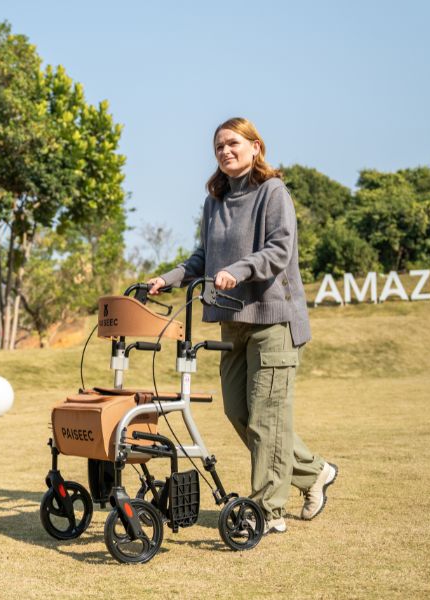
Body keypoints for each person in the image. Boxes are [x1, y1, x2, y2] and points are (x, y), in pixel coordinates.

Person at [147, 117, 337, 534]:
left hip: (274, 320)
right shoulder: (214, 200)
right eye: (218, 147)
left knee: (268, 418)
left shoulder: (273, 191)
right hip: (231, 322)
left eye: (233, 143)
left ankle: (268, 510)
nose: (225, 151)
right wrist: (169, 278)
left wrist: (240, 268)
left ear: (255, 147)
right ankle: (314, 472)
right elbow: (203, 257)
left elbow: (279, 250)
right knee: (239, 412)